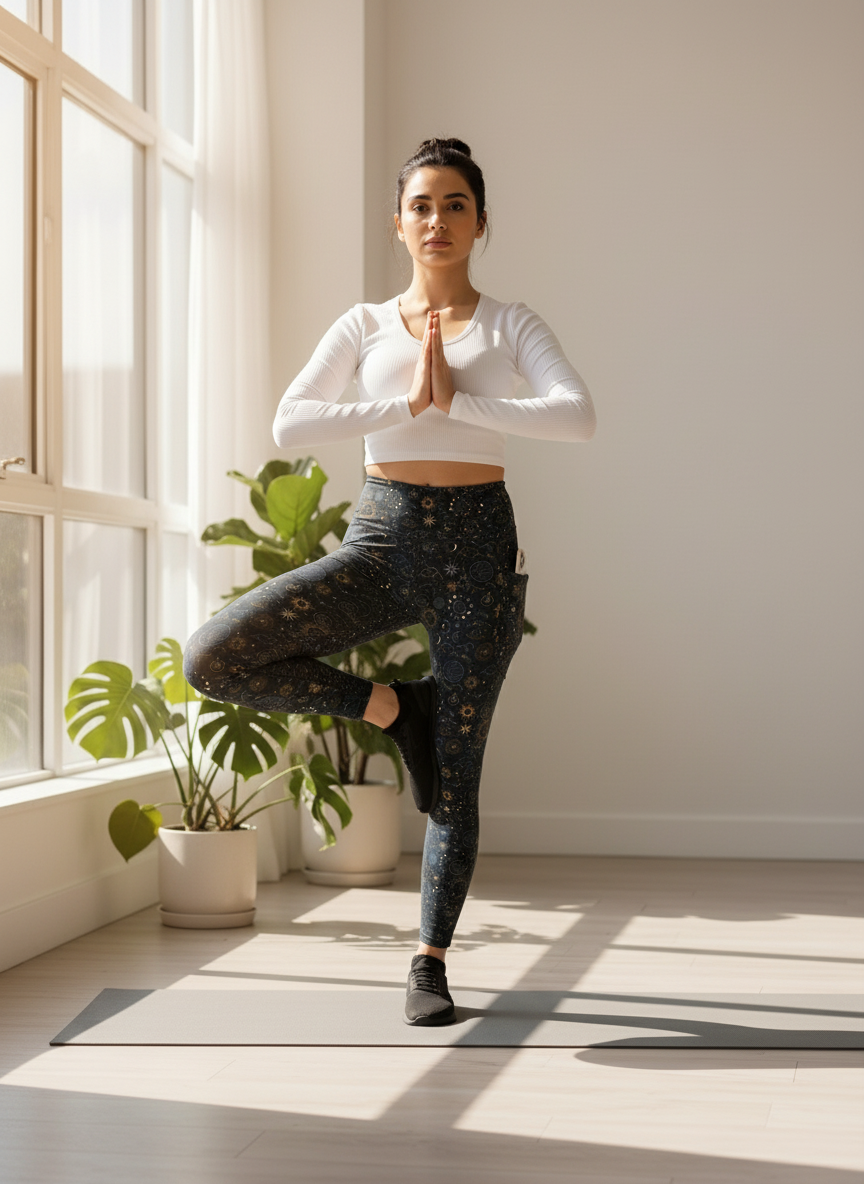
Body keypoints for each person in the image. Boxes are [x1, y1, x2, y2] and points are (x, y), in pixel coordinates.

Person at [184, 137, 596, 1026]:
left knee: (457, 772)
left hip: (482, 552)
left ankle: (430, 963)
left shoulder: (511, 322)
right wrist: (407, 406)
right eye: (421, 205)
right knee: (215, 657)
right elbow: (293, 421)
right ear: (397, 222)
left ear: (481, 221)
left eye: (455, 204)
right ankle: (387, 708)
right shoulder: (365, 325)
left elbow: (576, 417)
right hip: (382, 539)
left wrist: (459, 405)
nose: (437, 220)